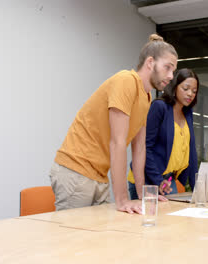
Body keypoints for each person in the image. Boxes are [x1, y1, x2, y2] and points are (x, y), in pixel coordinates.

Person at [50, 34, 178, 214]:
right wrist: (123, 199)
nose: (171, 76)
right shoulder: (126, 80)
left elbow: (139, 148)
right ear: (150, 63)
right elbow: (117, 142)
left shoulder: (146, 97)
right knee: (72, 240)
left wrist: (142, 194)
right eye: (168, 67)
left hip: (99, 176)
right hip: (76, 170)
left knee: (100, 238)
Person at [127, 68, 199, 199]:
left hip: (169, 181)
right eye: (186, 88)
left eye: (194, 91)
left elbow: (191, 151)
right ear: (175, 87)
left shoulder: (187, 113)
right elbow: (145, 147)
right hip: (149, 180)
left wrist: (198, 189)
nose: (190, 94)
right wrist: (158, 180)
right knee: (151, 219)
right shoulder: (160, 107)